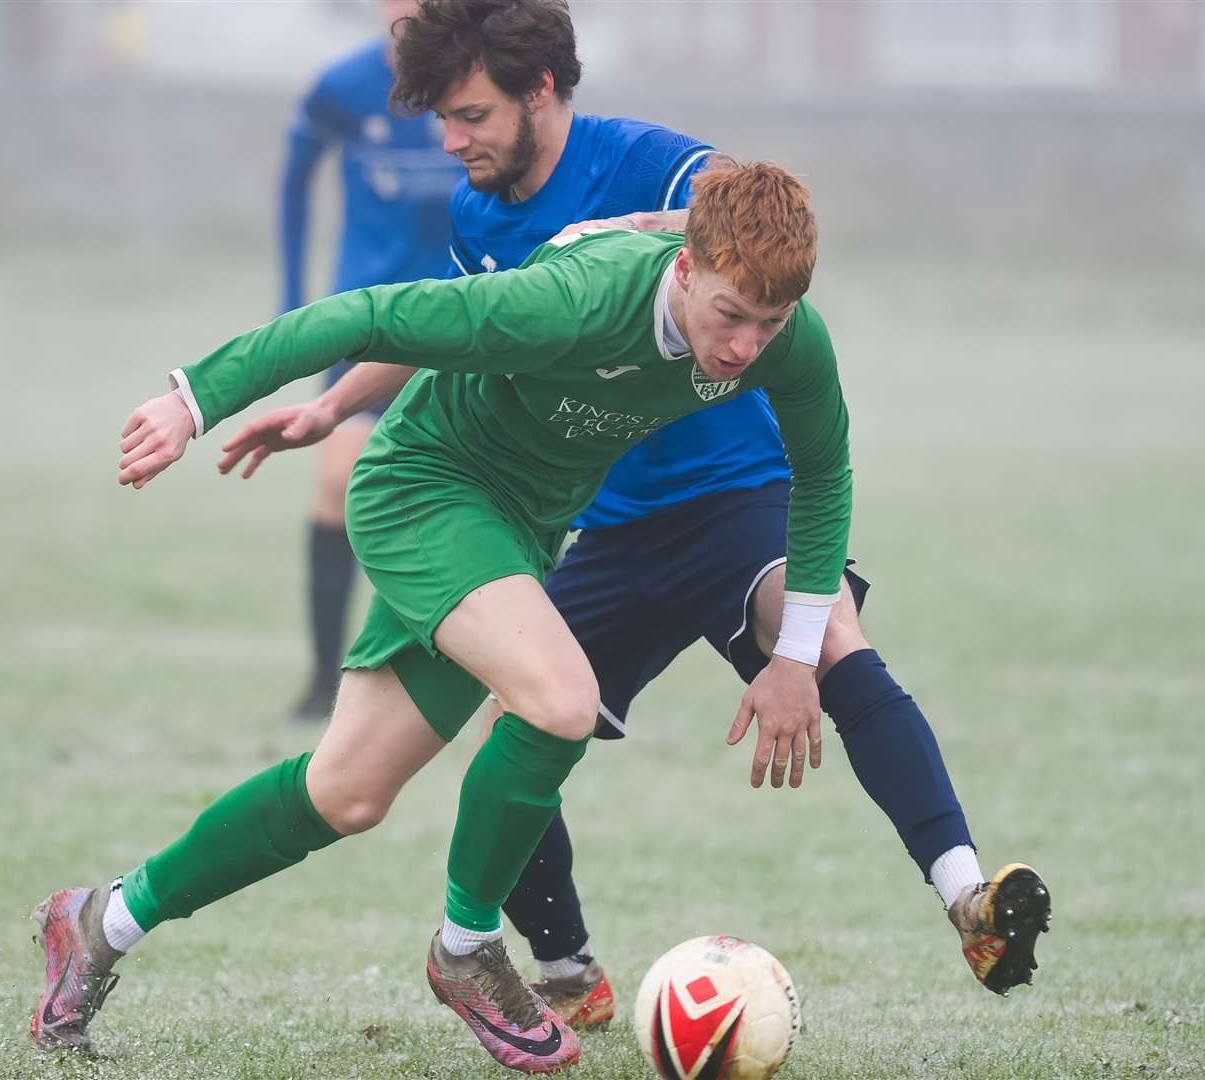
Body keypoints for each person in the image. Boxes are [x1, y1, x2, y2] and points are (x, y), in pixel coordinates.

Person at [217, 0, 1051, 1026]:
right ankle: (564, 966)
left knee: (826, 636)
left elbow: (750, 224)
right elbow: (459, 322)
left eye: (470, 112)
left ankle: (967, 891)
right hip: (603, 516)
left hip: (736, 492)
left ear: (541, 94)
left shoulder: (648, 162)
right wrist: (342, 401)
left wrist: (616, 238)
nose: (452, 141)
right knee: (523, 718)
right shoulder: (478, 210)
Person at [31, 159, 847, 1074]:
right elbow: (367, 314)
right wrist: (194, 399)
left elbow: (822, 475)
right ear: (686, 269)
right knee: (560, 698)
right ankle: (466, 950)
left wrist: (795, 656)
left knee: (346, 793)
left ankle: (97, 922)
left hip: (521, 528)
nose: (743, 347)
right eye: (729, 316)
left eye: (766, 324)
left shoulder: (784, 338)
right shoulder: (570, 302)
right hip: (425, 488)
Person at [276, 0, 461, 722]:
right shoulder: (342, 87)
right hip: (369, 323)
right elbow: (293, 181)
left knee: (482, 492)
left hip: (464, 321)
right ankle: (323, 682)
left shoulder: (480, 89)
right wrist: (293, 297)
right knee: (337, 485)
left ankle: (491, 670)